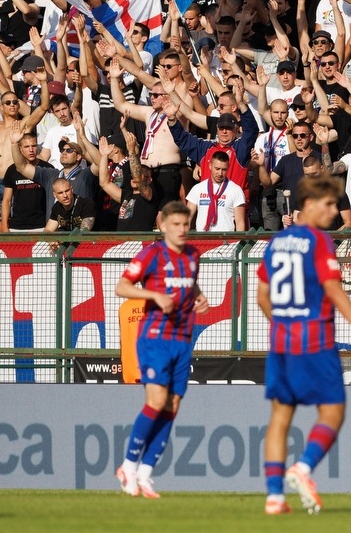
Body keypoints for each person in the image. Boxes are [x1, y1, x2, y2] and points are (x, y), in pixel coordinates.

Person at [258, 174, 351, 515]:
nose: (335, 211)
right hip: (314, 339)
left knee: (279, 418)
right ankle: (302, 468)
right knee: (333, 411)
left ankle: (274, 497)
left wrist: (283, 324)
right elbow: (333, 289)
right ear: (311, 205)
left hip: (282, 342)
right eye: (330, 204)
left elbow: (261, 296)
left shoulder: (276, 242)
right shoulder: (318, 241)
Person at [113, 201, 206, 498]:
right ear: (163, 225)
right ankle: (128, 465)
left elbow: (189, 286)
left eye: (185, 225)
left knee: (172, 406)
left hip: (182, 339)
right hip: (155, 338)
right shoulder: (152, 254)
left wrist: (200, 298)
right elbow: (122, 286)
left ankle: (145, 473)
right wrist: (154, 294)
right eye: (175, 225)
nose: (181, 230)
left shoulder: (192, 255)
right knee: (156, 401)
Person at [185, 151, 247, 232]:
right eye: (217, 169)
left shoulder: (235, 190)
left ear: (228, 167)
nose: (220, 173)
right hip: (202, 241)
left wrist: (238, 242)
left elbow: (240, 223)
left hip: (225, 242)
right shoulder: (197, 189)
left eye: (224, 169)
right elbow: (187, 218)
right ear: (210, 166)